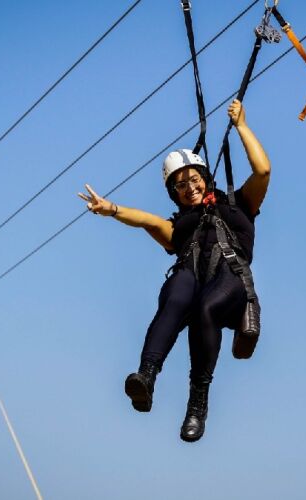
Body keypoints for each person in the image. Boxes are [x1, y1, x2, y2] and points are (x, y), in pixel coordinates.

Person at [78, 99, 270, 441]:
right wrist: (112, 209)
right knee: (175, 295)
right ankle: (146, 377)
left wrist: (241, 125)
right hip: (192, 279)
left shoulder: (239, 204)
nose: (189, 187)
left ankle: (197, 405)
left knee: (205, 309)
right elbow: (148, 221)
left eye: (193, 179)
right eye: (180, 185)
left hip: (230, 285)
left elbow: (263, 170)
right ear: (174, 193)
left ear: (205, 179)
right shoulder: (179, 226)